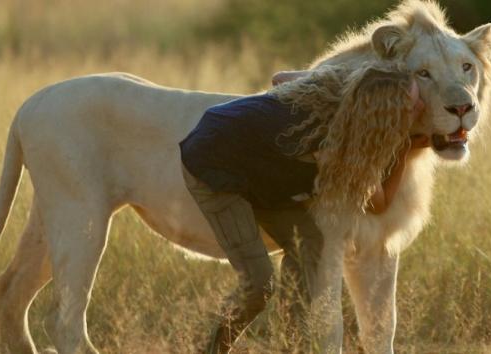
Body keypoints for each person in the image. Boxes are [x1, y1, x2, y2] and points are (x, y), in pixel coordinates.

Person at [178, 64, 429, 353]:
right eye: (412, 104)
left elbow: (280, 79)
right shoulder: (335, 147)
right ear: (385, 115)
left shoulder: (345, 90)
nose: (421, 105)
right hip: (213, 162)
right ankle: (212, 350)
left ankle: (293, 344)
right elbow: (379, 202)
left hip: (255, 169)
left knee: (314, 239)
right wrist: (402, 149)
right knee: (260, 283)